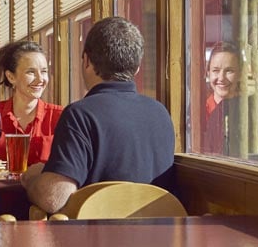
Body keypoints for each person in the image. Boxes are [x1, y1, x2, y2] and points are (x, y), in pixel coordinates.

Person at [21, 16, 176, 214]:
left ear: (86, 60)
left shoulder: (80, 115)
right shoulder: (160, 113)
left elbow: (54, 197)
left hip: (97, 240)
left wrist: (34, 178)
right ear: (137, 68)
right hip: (161, 239)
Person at [202, 41, 241, 155]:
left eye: (229, 71)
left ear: (240, 74)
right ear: (208, 73)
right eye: (216, 70)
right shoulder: (200, 112)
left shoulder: (247, 110)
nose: (221, 78)